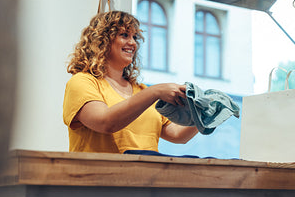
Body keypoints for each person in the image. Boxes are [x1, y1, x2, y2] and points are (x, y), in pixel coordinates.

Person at [63, 11, 198, 153]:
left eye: (135, 37)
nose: (132, 42)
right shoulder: (82, 82)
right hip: (98, 174)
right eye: (124, 35)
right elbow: (105, 122)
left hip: (144, 174)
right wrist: (155, 91)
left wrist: (205, 116)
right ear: (102, 41)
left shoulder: (141, 90)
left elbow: (176, 135)